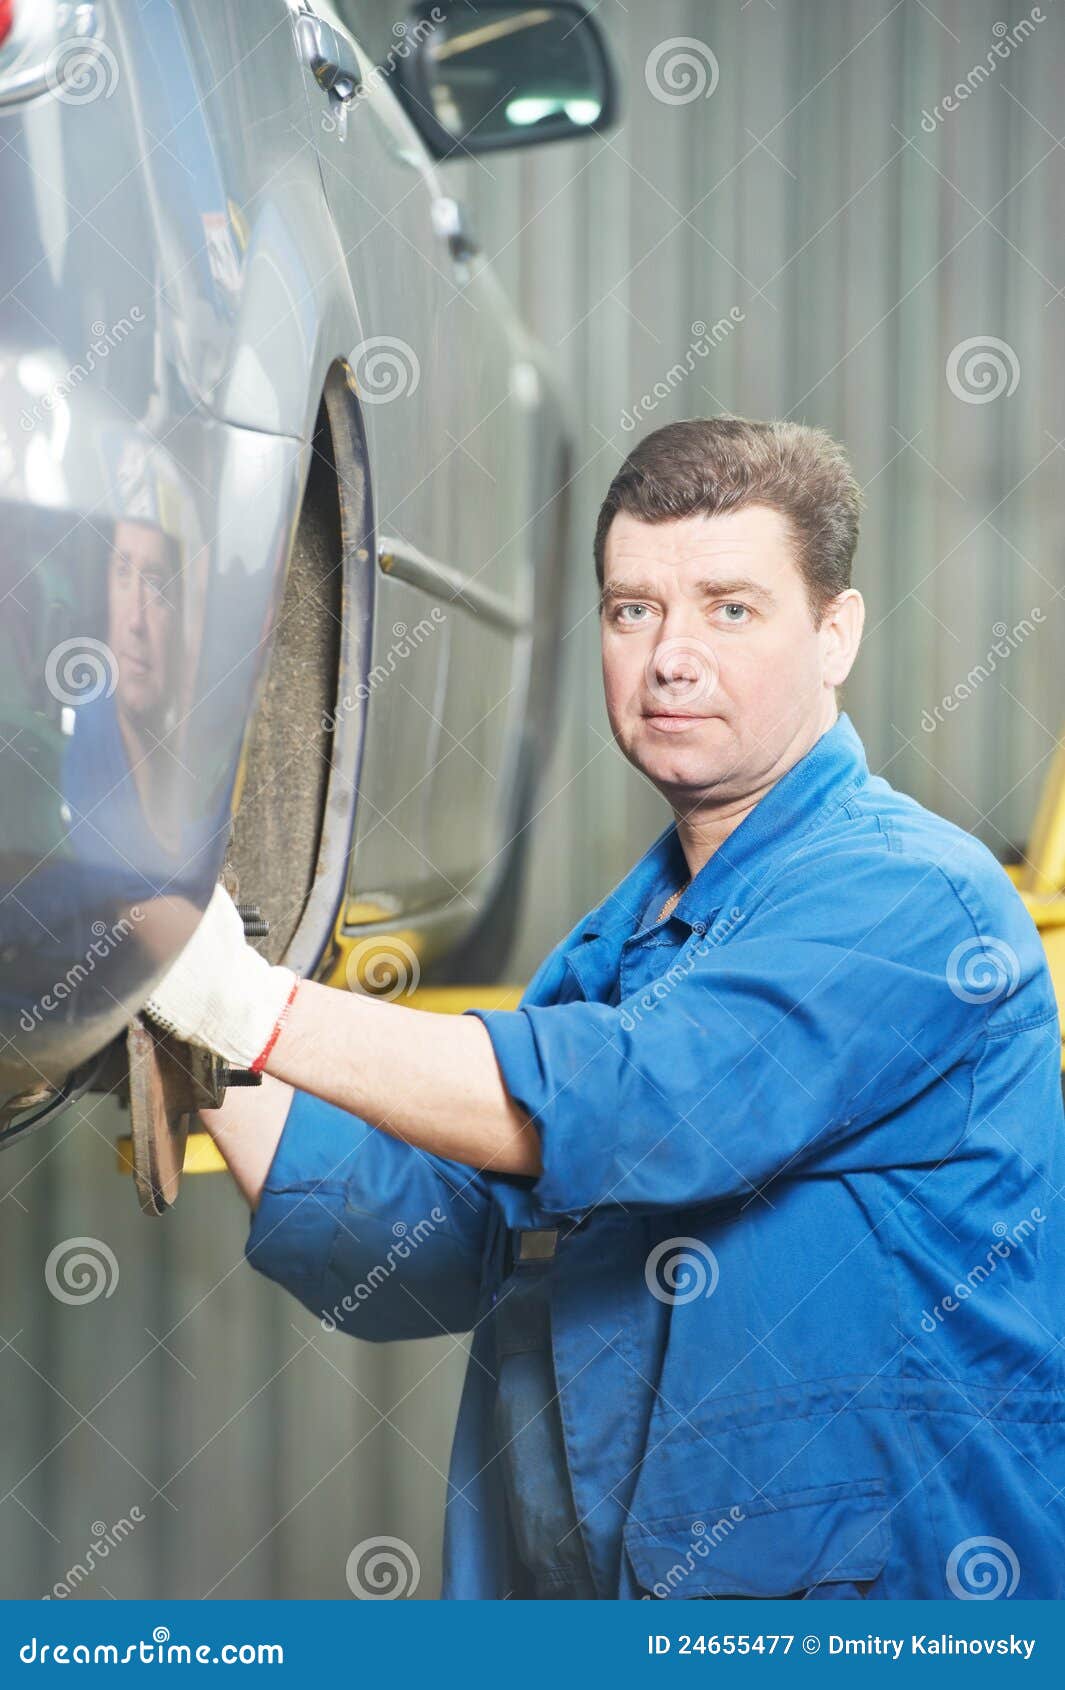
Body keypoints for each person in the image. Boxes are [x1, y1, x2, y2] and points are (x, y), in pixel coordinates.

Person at [145, 416, 1065, 1601]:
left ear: (837, 634)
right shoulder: (617, 947)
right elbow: (415, 1242)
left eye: (731, 608)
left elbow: (636, 1104)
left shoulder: (915, 901)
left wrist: (245, 996)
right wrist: (174, 1002)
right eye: (634, 610)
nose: (672, 655)